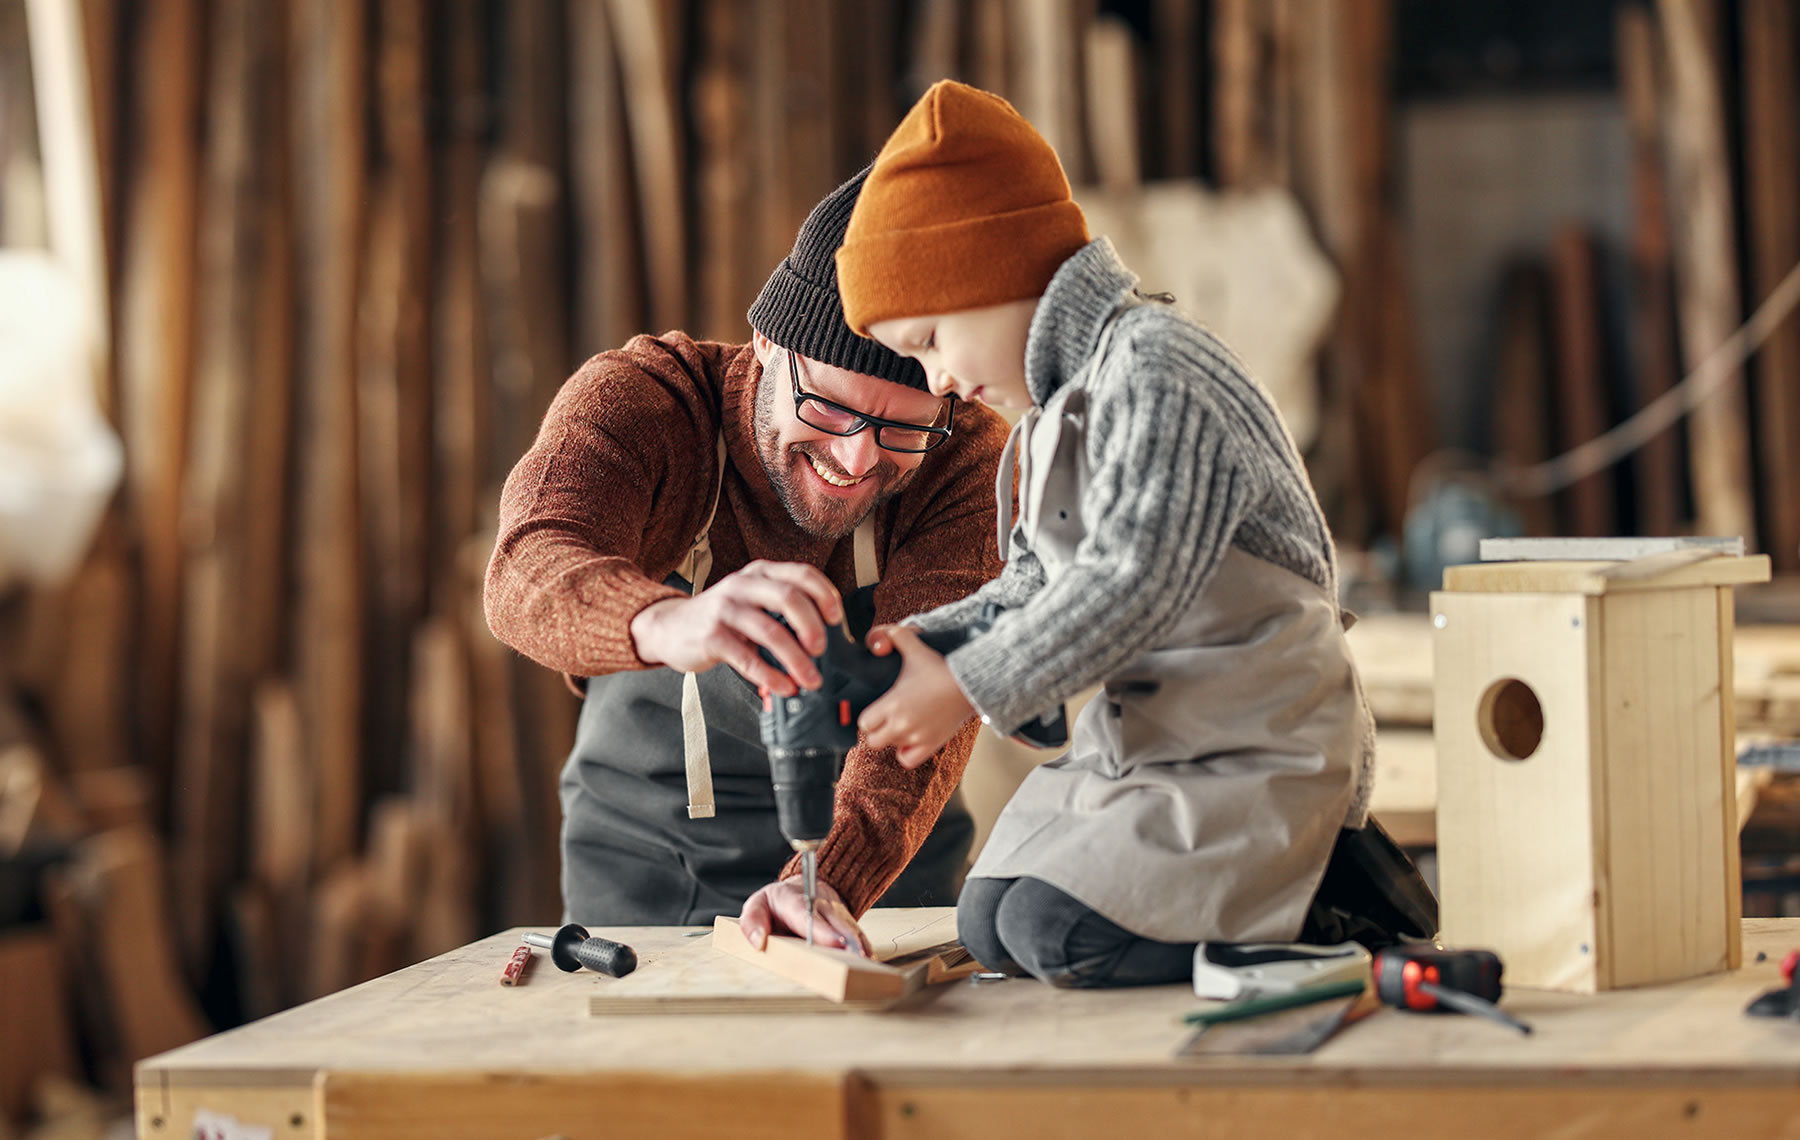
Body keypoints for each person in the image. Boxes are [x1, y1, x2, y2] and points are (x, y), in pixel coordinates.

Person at [838, 80, 1436, 987]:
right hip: (1151, 744)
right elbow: (1038, 583)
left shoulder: (1159, 370)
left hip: (1253, 743)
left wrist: (968, 684)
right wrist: (926, 643)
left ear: (996, 271)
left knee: (1058, 935)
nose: (940, 381)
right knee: (991, 920)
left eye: (929, 340)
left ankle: (1331, 901)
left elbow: (1134, 580)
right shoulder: (1046, 423)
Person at [484, 166, 1011, 950]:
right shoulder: (645, 405)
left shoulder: (967, 461)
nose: (855, 458)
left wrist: (832, 879)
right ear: (768, 340)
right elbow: (527, 566)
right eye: (829, 405)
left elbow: (941, 673)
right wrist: (667, 623)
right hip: (647, 861)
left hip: (886, 874)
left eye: (903, 428)